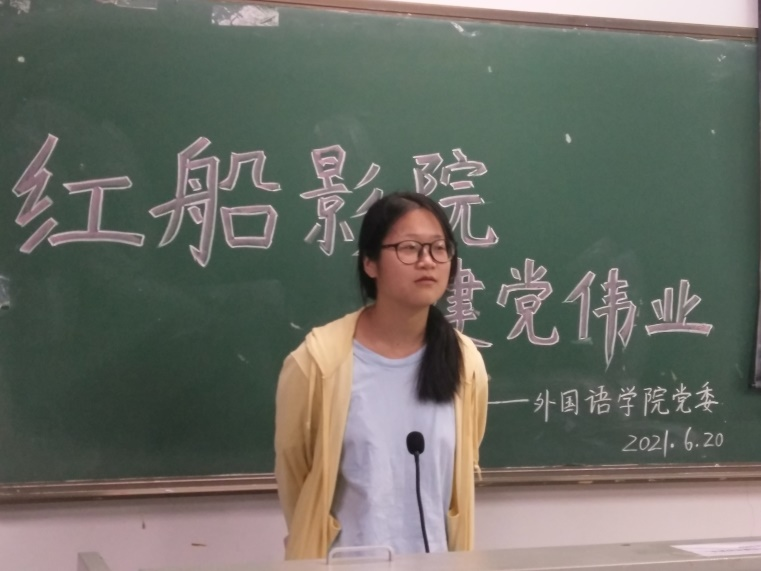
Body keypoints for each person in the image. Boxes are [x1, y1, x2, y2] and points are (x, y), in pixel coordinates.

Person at [274, 191, 488, 560]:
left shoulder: (464, 362)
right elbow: (296, 478)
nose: (427, 261)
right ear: (370, 263)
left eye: (439, 248)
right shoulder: (317, 363)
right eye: (409, 248)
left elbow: (461, 472)